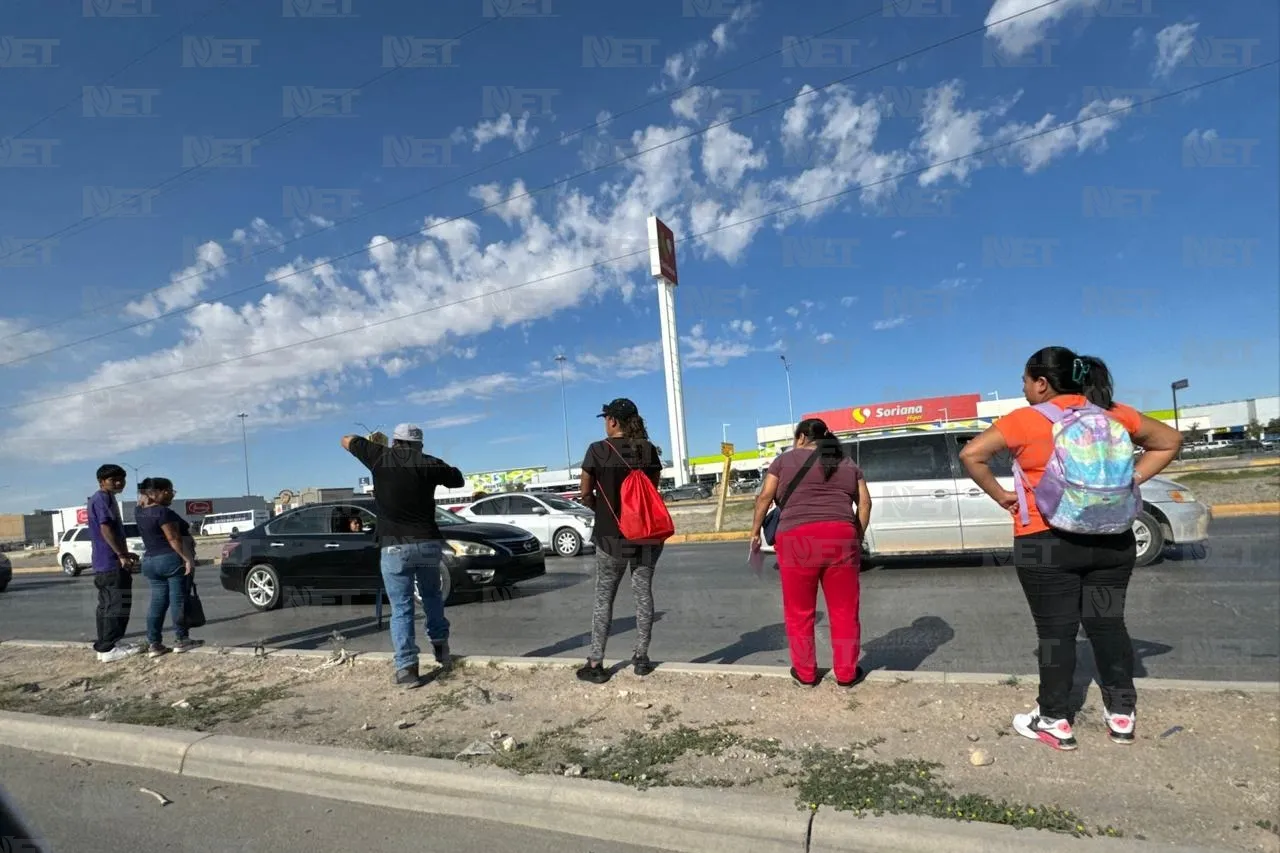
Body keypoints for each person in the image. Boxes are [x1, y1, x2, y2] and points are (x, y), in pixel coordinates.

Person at [959, 346, 1182, 750]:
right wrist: (1129, 481)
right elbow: (1169, 441)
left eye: (1025, 382)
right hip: (1112, 536)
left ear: (1042, 383)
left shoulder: (1023, 420)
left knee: (1055, 633)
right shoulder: (1112, 412)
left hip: (1044, 540)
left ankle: (1055, 720)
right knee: (1107, 622)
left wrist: (1002, 496)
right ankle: (1121, 714)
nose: (1024, 389)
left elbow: (971, 454)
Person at [750, 418, 872, 688]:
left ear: (803, 436)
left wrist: (755, 532)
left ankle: (805, 674)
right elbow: (864, 503)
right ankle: (846, 674)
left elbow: (764, 497)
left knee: (799, 610)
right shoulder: (847, 463)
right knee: (844, 610)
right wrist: (857, 535)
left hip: (796, 539)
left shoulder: (784, 461)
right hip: (841, 538)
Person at [342, 423, 465, 688]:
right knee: (432, 596)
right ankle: (441, 649)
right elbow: (458, 478)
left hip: (394, 545)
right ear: (419, 444)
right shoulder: (429, 462)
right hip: (427, 542)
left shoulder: (378, 455)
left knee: (402, 607)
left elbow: (346, 439)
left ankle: (407, 669)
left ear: (396, 442)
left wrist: (374, 443)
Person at [576, 398, 664, 684]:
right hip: (647, 534)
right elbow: (652, 489)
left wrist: (602, 509)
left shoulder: (598, 450)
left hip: (611, 536)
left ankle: (596, 662)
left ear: (612, 420)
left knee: (604, 598)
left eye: (606, 418)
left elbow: (585, 493)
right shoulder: (648, 450)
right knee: (643, 593)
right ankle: (641, 657)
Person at [134, 477, 203, 657]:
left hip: (150, 560)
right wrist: (187, 558)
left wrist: (144, 496)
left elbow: (141, 501)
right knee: (178, 600)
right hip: (170, 559)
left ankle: (154, 643)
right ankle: (182, 639)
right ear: (160, 492)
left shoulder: (139, 511)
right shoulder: (162, 513)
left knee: (157, 602)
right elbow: (173, 538)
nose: (172, 494)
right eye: (170, 491)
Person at [88, 464, 141, 663]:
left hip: (106, 562)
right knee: (115, 605)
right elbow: (105, 529)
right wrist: (120, 555)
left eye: (121, 479)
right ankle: (108, 648)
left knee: (107, 605)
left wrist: (125, 552)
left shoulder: (104, 498)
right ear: (102, 482)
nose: (119, 483)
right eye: (113, 480)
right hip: (110, 563)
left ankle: (107, 645)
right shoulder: (102, 499)